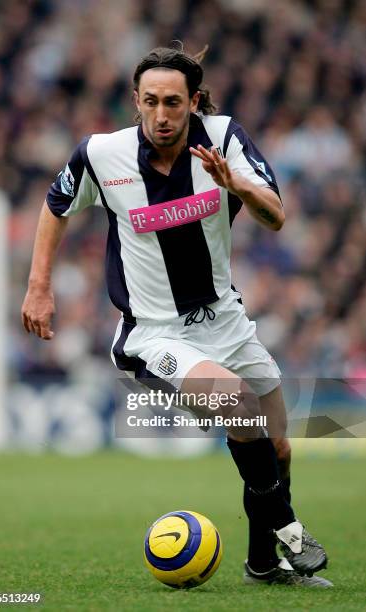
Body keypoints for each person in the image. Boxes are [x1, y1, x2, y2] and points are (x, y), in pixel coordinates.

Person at [21, 44, 332, 587]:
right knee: (239, 405)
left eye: (172, 103)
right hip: (154, 332)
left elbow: (276, 217)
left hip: (226, 319)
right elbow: (55, 206)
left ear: (193, 103)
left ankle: (263, 564)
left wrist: (238, 187)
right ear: (135, 102)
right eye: (150, 102)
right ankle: (287, 526)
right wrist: (39, 286)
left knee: (276, 446)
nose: (161, 115)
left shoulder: (226, 139)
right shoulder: (101, 153)